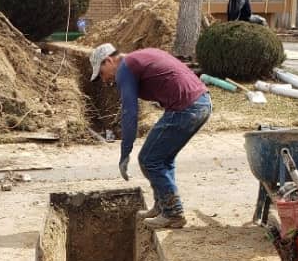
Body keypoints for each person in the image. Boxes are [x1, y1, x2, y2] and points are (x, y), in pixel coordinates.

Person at [89, 43, 212, 230]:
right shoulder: (138, 58)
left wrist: (125, 152)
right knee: (163, 159)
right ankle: (163, 205)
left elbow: (130, 113)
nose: (104, 80)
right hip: (201, 102)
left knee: (149, 159)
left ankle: (173, 214)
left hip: (186, 107)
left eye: (101, 73)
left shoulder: (124, 68)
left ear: (108, 60)